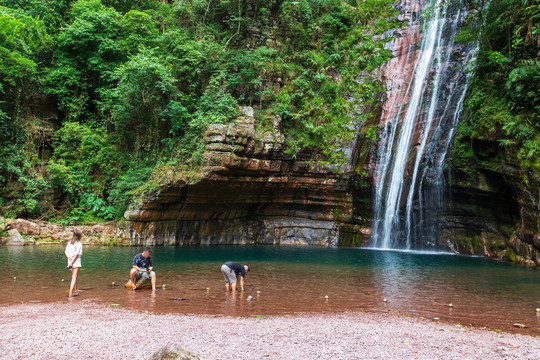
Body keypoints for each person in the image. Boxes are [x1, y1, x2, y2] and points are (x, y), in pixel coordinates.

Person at [65, 229, 83, 297]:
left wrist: (70, 259)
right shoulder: (79, 244)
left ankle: (76, 289)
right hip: (76, 261)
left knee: (75, 276)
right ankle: (70, 292)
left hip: (70, 260)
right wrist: (72, 262)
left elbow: (66, 252)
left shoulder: (69, 242)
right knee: (74, 277)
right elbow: (76, 254)